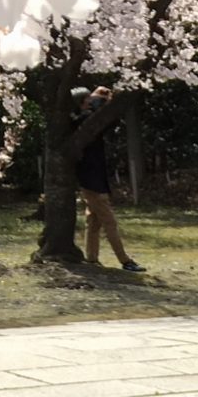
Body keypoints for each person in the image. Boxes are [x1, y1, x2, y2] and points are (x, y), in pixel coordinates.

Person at [73, 85, 143, 273]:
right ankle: (124, 260)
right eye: (89, 100)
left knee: (93, 221)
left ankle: (91, 257)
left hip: (92, 178)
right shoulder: (85, 122)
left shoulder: (82, 121)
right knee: (109, 222)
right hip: (93, 180)